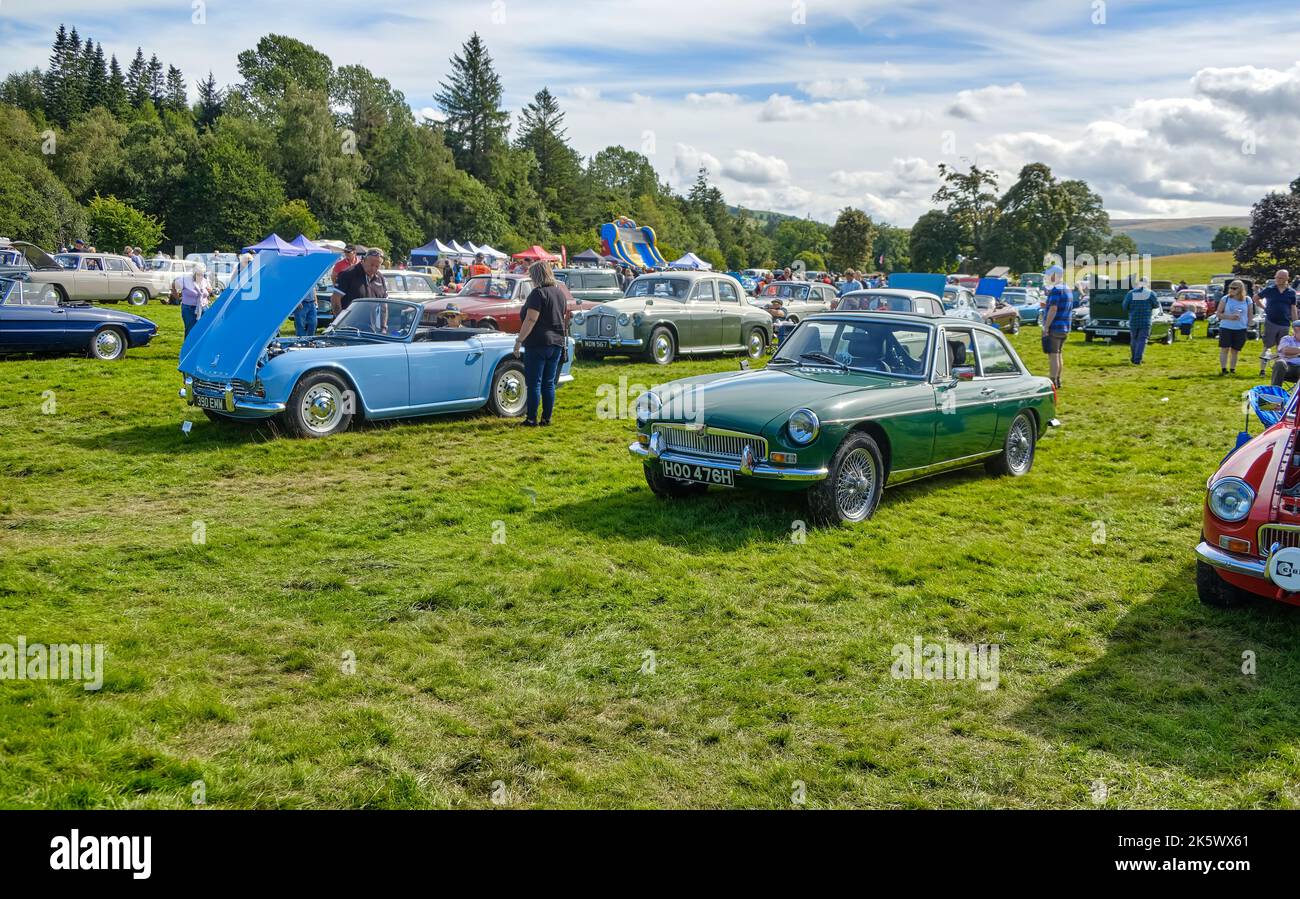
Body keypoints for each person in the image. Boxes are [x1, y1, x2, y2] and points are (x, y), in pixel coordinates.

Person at [513, 260, 569, 427]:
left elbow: (531, 319)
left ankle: (531, 419)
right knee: (549, 383)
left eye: (531, 275)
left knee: (534, 383)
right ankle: (546, 418)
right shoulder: (560, 293)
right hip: (557, 342)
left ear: (536, 276)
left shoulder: (538, 293)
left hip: (538, 342)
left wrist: (519, 340)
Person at [1040, 265, 1073, 389]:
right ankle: (1058, 380)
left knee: (1053, 355)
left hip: (1054, 327)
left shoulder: (1055, 290)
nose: (1048, 278)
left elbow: (1054, 309)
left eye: (1049, 275)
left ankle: (1053, 381)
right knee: (1059, 354)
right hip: (1065, 327)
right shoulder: (1067, 289)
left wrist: (1046, 327)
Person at [1257, 269, 1296, 376]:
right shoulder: (1269, 289)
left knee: (1281, 348)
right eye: (1276, 277)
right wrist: (1264, 308)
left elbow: (1293, 309)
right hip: (1271, 322)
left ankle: (1277, 369)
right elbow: (1256, 298)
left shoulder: (1291, 292)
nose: (1277, 280)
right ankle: (1262, 370)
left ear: (1287, 279)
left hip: (1285, 324)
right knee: (1267, 346)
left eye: (1280, 278)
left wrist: (1296, 324)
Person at [332, 248, 386, 314]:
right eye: (371, 265)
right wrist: (340, 320)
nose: (373, 268)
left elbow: (384, 304)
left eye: (377, 266)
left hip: (372, 323)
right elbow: (335, 299)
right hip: (350, 322)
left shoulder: (380, 277)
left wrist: (383, 323)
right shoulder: (348, 274)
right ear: (364, 260)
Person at [1216, 279, 1252, 375]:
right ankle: (1224, 369)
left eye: (1234, 288)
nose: (1232, 289)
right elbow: (1218, 314)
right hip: (1226, 327)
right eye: (1231, 287)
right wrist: (1229, 317)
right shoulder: (1225, 298)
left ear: (1240, 289)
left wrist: (1248, 325)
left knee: (1235, 350)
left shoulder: (1248, 300)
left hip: (1241, 328)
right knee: (1224, 348)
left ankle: (1232, 369)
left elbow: (1250, 315)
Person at [1122, 279, 1161, 364]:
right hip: (1145, 321)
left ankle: (1133, 358)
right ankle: (1137, 360)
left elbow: (1124, 306)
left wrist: (1132, 309)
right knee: (1142, 340)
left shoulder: (1130, 293)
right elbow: (1156, 305)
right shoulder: (1151, 293)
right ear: (1147, 284)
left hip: (1133, 320)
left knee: (1134, 339)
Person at [175, 263, 211, 339]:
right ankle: (188, 349)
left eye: (202, 274)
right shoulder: (185, 280)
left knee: (204, 330)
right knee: (190, 330)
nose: (200, 276)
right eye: (198, 274)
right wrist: (177, 297)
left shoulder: (204, 281)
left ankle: (200, 349)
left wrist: (208, 294)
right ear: (194, 274)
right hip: (189, 309)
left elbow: (209, 290)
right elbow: (173, 285)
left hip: (203, 308)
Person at [1270, 320, 1300, 386]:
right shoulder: (1286, 339)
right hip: (1287, 367)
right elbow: (1285, 351)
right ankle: (1275, 391)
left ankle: (1297, 395)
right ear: (1294, 331)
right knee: (1280, 363)